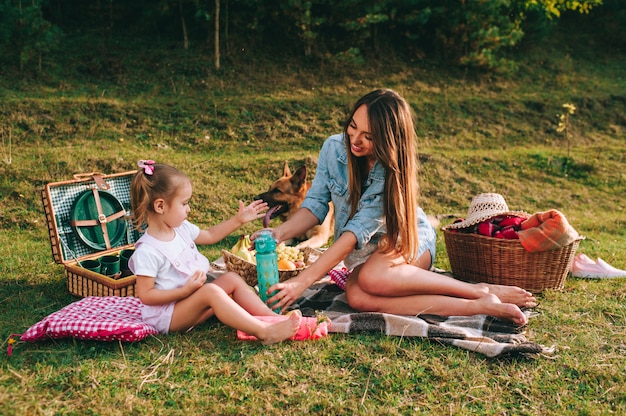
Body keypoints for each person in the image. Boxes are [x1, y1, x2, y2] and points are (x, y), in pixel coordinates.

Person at [254, 89, 536, 325]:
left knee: (374, 277)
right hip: (366, 255)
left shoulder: (391, 172)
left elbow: (352, 235)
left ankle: (476, 290)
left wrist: (300, 283)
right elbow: (314, 205)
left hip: (406, 241)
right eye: (352, 126)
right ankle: (478, 305)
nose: (355, 139)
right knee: (358, 298)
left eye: (369, 135)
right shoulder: (333, 149)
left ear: (389, 139)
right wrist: (279, 234)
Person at [128, 160, 300, 343]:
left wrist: (239, 219)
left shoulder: (180, 228)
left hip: (191, 301)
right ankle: (265, 332)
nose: (189, 209)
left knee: (231, 279)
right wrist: (185, 291)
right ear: (160, 206)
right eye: (184, 203)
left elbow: (210, 235)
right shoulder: (148, 251)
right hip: (168, 317)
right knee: (210, 291)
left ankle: (274, 319)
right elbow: (146, 296)